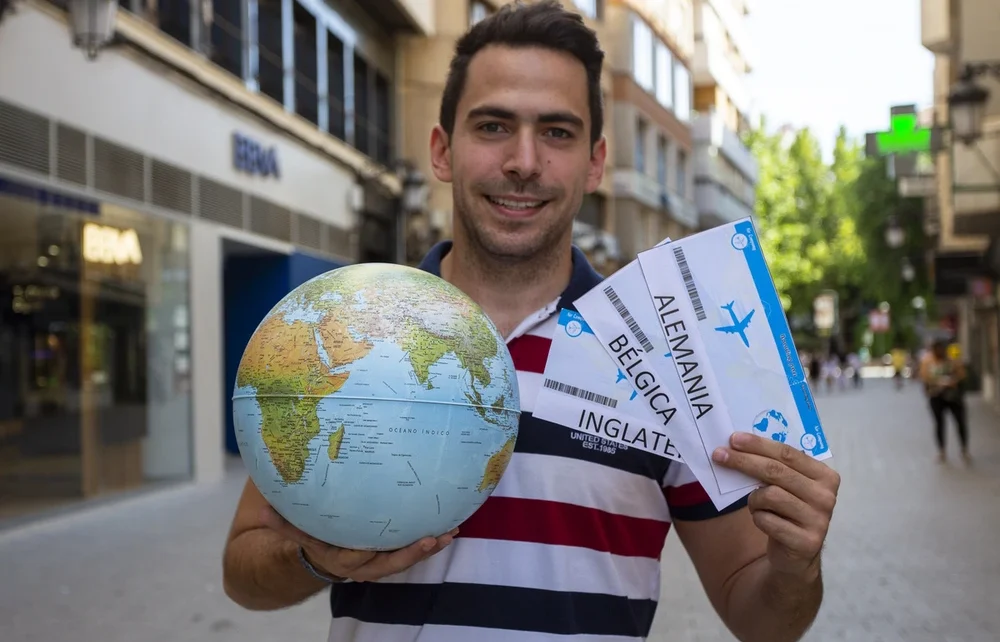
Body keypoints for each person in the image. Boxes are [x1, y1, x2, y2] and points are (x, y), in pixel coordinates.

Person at [221, 3, 841, 641]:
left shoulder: (669, 356)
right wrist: (310, 559)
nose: (523, 161)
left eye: (557, 132)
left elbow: (761, 620)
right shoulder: (347, 323)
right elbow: (244, 570)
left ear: (596, 162)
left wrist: (796, 567)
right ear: (442, 150)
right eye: (493, 126)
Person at [919, 339, 970, 463]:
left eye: (941, 350)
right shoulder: (928, 362)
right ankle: (942, 450)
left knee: (960, 422)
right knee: (939, 424)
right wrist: (934, 385)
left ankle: (964, 449)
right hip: (936, 396)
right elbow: (924, 378)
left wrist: (954, 381)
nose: (939, 352)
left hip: (953, 397)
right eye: (937, 350)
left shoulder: (953, 361)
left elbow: (962, 375)